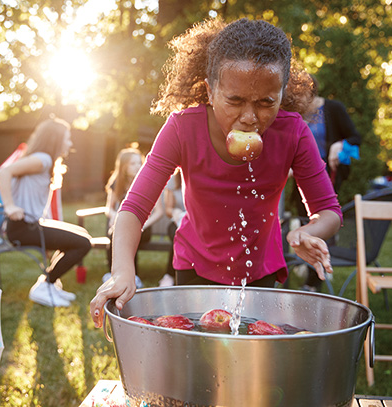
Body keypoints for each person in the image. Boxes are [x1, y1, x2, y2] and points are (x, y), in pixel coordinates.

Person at [90, 18, 342, 327]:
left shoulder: (294, 133)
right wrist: (122, 271)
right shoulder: (183, 128)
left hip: (261, 272)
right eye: (234, 100)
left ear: (281, 93)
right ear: (211, 91)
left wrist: (307, 232)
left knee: (251, 366)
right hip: (194, 270)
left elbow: (328, 211)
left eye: (265, 102)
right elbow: (133, 208)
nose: (249, 118)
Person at [0, 117, 92, 307]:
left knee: (81, 235)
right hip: (22, 227)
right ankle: (45, 284)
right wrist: (9, 206)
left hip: (32, 224)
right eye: (67, 138)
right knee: (83, 244)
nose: (70, 143)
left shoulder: (46, 160)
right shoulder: (43, 159)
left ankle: (49, 284)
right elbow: (4, 172)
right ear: (55, 140)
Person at [297, 74, 362, 292]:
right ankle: (310, 271)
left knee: (321, 226)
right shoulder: (294, 113)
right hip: (299, 180)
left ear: (312, 91)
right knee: (303, 226)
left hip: (327, 178)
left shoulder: (333, 108)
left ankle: (314, 281)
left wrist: (338, 144)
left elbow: (355, 137)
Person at [103, 147, 165, 288]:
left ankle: (132, 275)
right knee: (116, 232)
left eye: (139, 162)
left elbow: (159, 212)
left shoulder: (147, 183)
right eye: (133, 163)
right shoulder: (116, 183)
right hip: (120, 225)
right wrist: (115, 217)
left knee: (128, 233)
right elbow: (109, 208)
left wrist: (142, 225)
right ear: (123, 166)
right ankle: (113, 275)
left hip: (143, 227)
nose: (137, 166)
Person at [158, 169, 185, 287]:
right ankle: (169, 275)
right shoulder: (173, 181)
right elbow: (168, 209)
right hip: (177, 222)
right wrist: (176, 212)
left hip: (196, 223)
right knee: (178, 235)